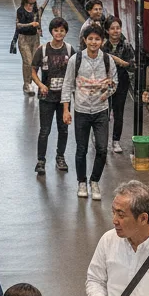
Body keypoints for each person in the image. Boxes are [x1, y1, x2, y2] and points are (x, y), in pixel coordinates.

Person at [61, 22, 118, 200]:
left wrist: (105, 93)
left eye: (97, 39)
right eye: (90, 39)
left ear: (102, 41)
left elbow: (114, 83)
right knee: (81, 149)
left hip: (101, 111)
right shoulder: (75, 60)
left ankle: (95, 181)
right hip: (81, 111)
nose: (94, 42)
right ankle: (81, 182)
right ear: (85, 40)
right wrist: (66, 110)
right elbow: (67, 84)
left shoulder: (108, 60)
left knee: (102, 149)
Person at [30, 17, 73, 175]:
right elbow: (33, 70)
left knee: (63, 129)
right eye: (56, 30)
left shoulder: (69, 50)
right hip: (46, 99)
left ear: (66, 32)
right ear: (51, 31)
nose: (59, 33)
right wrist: (40, 85)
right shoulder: (42, 50)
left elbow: (75, 71)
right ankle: (41, 160)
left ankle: (60, 157)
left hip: (64, 99)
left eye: (62, 30)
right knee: (45, 130)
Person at [103, 16, 136, 155]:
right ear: (107, 30)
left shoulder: (127, 45)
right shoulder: (103, 46)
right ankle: (102, 140)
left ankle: (116, 141)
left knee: (118, 112)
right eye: (112, 28)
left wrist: (120, 62)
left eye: (118, 28)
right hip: (105, 82)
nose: (116, 31)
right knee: (104, 112)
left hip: (122, 81)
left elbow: (132, 66)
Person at [16, 0, 42, 96]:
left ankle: (34, 82)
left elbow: (38, 23)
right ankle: (27, 83)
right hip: (24, 39)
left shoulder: (36, 10)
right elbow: (18, 25)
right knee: (28, 61)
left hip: (35, 38)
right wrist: (30, 25)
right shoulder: (20, 11)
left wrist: (39, 29)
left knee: (35, 62)